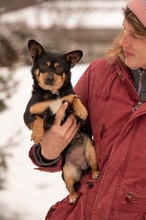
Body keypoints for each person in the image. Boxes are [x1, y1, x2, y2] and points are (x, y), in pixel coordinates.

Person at [29, 0, 146, 219]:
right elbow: (53, 127)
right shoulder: (100, 74)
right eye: (124, 30)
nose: (123, 41)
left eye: (136, 36)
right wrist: (47, 153)